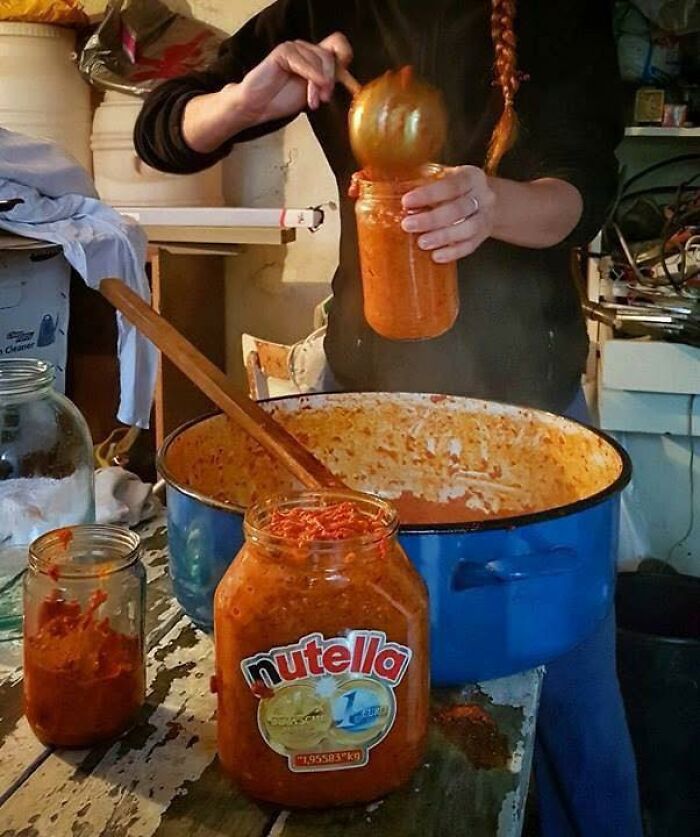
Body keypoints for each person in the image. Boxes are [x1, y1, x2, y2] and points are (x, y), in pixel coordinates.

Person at [135, 2, 643, 834]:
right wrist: (242, 105)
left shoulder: (557, 12)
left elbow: (582, 189)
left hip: (530, 422)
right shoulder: (327, 9)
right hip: (358, 408)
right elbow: (163, 129)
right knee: (353, 690)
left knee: (577, 715)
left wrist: (493, 204)